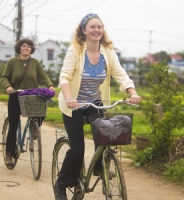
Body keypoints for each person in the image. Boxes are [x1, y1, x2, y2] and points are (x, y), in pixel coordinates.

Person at [55, 13, 141, 200]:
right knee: (77, 149)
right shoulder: (75, 50)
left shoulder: (108, 52)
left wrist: (132, 92)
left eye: (99, 27)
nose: (96, 30)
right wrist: (70, 98)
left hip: (94, 102)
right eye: (92, 27)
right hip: (74, 104)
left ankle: (97, 167)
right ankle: (61, 183)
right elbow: (65, 76)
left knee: (105, 139)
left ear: (103, 30)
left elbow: (120, 74)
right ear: (84, 30)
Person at [0, 38, 55, 166]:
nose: (26, 48)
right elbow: (4, 77)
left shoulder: (35, 62)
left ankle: (34, 128)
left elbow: (44, 76)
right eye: (24, 46)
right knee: (13, 125)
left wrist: (50, 85)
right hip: (15, 97)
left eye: (29, 47)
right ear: (19, 48)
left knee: (41, 114)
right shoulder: (12, 62)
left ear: (32, 49)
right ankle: (8, 154)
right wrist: (8, 86)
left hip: (32, 97)